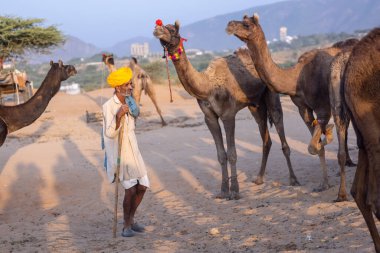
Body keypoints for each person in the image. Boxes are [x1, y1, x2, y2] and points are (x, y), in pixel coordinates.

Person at [102, 67, 149, 237]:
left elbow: (136, 116)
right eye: (127, 84)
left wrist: (127, 110)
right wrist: (117, 117)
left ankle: (132, 220)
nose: (130, 86)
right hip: (120, 151)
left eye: (130, 83)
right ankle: (126, 226)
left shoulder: (130, 102)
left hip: (133, 149)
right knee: (130, 190)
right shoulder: (109, 106)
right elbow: (108, 133)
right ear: (117, 88)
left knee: (142, 186)